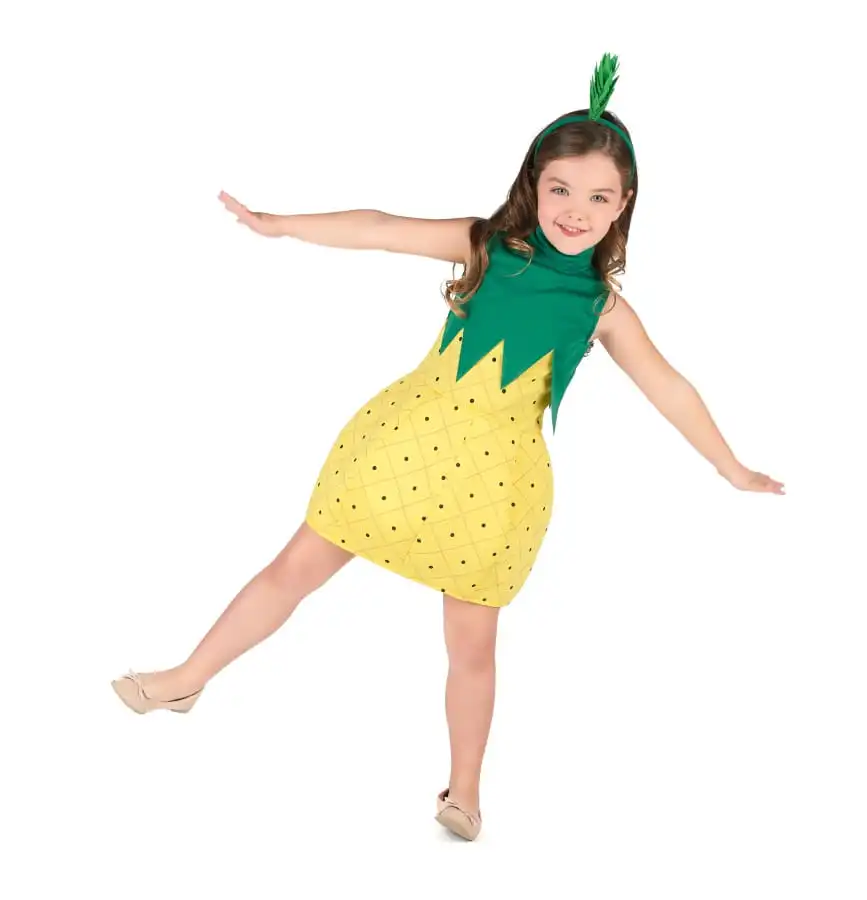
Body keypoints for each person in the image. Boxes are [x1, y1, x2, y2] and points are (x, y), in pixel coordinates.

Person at [110, 54, 785, 841]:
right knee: (291, 571)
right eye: (561, 189)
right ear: (534, 184)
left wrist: (731, 467)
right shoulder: (486, 245)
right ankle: (186, 680)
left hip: (495, 490)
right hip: (397, 451)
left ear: (624, 203)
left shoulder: (602, 308)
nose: (576, 211)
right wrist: (280, 224)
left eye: (599, 196)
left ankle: (463, 793)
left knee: (472, 648)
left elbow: (669, 387)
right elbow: (381, 229)